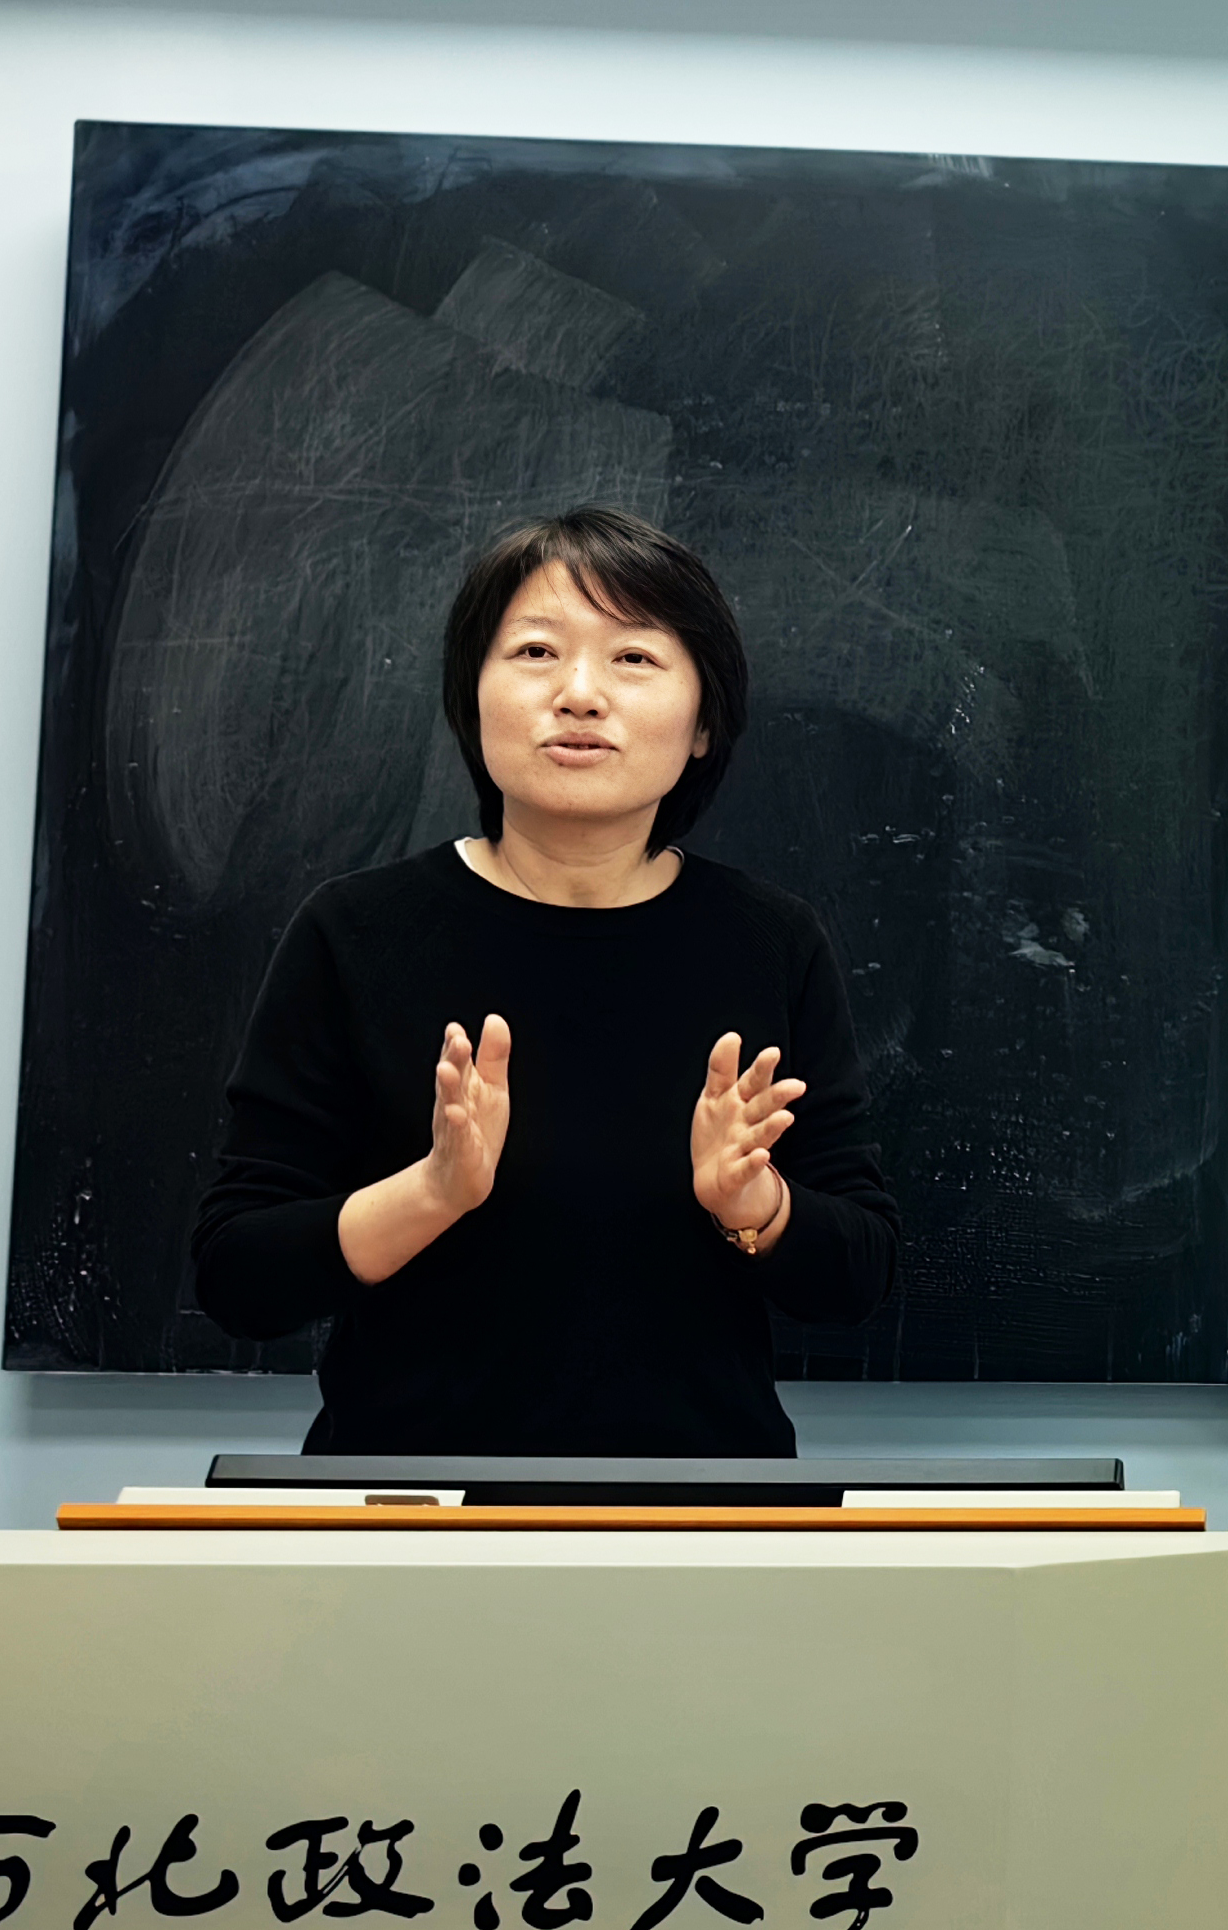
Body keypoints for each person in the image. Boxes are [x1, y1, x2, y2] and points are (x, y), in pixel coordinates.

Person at [190, 507, 896, 1453]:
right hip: (409, 1505)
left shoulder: (771, 941)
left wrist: (754, 1207)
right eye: (535, 652)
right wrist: (434, 1191)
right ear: (471, 697)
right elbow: (237, 1275)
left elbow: (859, 1276)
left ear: (702, 723)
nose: (580, 694)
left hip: (701, 1511)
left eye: (634, 657)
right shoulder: (355, 933)